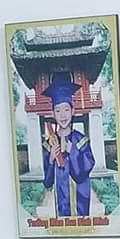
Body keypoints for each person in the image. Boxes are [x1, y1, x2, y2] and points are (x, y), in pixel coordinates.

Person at [41, 71, 95, 220]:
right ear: (53, 113)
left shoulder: (81, 140)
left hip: (79, 200)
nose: (63, 115)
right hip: (60, 201)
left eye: (66, 109)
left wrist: (74, 151)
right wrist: (51, 159)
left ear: (73, 111)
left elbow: (86, 170)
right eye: (58, 110)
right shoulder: (49, 144)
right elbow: (47, 182)